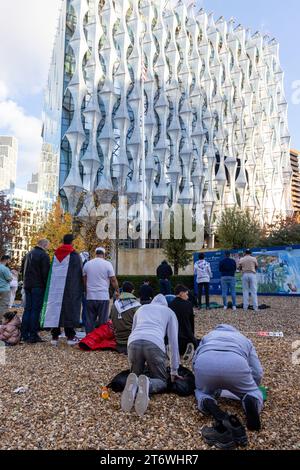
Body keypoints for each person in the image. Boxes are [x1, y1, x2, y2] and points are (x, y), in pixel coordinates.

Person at [193, 324, 263, 438]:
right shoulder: (244, 338)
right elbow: (257, 371)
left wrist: (200, 379)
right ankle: (251, 399)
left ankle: (207, 401)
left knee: (201, 392)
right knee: (252, 392)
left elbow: (195, 360)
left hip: (205, 362)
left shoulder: (208, 336)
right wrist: (253, 387)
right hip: (236, 365)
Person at [121, 294, 181, 416]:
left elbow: (133, 330)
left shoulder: (141, 308)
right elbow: (173, 342)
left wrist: (131, 364)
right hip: (154, 343)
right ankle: (148, 384)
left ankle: (134, 384)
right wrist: (174, 370)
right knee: (161, 380)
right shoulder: (169, 312)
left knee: (135, 375)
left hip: (133, 342)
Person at [41, 234, 83, 346]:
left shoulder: (56, 254)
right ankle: (70, 336)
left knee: (56, 308)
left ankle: (55, 336)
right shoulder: (75, 255)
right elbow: (79, 272)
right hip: (70, 289)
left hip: (56, 288)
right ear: (72, 242)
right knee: (69, 309)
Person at [83, 247, 120, 334]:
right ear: (104, 254)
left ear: (95, 254)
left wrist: (86, 291)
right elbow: (113, 280)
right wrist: (117, 290)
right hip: (103, 296)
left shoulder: (87, 264)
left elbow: (84, 280)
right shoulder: (107, 264)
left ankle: (89, 338)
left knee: (90, 320)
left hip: (90, 296)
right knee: (103, 320)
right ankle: (101, 338)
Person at [21, 239, 50, 343]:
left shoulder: (28, 254)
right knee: (35, 310)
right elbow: (45, 273)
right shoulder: (43, 255)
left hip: (27, 284)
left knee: (27, 309)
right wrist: (47, 286)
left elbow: (22, 269)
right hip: (38, 286)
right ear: (44, 245)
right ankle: (33, 335)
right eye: (48, 246)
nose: (48, 248)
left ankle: (24, 334)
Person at [110, 281, 141, 354]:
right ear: (132, 291)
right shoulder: (137, 305)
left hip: (118, 340)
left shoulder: (115, 305)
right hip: (132, 340)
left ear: (122, 290)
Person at [170, 285, 199, 360]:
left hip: (173, 339)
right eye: (186, 294)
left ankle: (170, 350)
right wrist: (192, 336)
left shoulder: (170, 305)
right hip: (186, 338)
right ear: (181, 293)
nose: (188, 296)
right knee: (199, 342)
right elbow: (191, 323)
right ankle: (190, 346)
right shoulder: (188, 304)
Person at [0, 255, 12, 323]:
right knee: (3, 305)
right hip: (4, 289)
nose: (9, 261)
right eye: (9, 260)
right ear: (6, 260)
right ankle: (2, 320)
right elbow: (9, 278)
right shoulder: (5, 268)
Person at [79, 251, 90, 328]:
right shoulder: (86, 264)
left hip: (77, 288)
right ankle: (84, 323)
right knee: (85, 307)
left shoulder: (78, 263)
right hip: (84, 289)